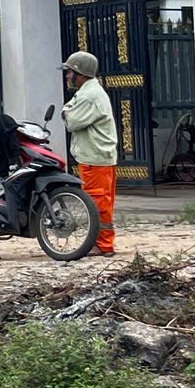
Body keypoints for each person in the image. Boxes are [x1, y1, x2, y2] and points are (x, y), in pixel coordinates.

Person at [63, 51, 118, 255]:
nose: (67, 76)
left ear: (80, 73)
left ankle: (103, 245)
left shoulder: (88, 95)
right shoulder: (87, 91)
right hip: (98, 157)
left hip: (95, 157)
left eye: (69, 72)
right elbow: (70, 110)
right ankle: (102, 242)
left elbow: (72, 121)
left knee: (98, 203)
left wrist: (66, 112)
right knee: (101, 202)